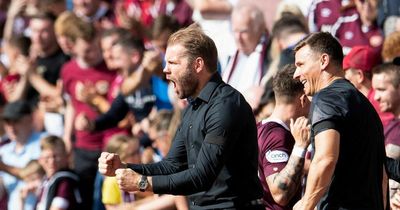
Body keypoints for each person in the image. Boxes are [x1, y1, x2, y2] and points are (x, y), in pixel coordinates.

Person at [98, 24, 265, 209]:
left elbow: (202, 176)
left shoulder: (225, 105)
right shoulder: (192, 107)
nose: (165, 70)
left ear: (198, 65)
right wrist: (124, 167)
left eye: (173, 63)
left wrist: (143, 183)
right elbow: (171, 166)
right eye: (166, 62)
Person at [292, 32, 386, 209]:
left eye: (301, 65)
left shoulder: (327, 98)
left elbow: (325, 159)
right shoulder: (365, 104)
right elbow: (382, 174)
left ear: (323, 61)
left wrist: (306, 204)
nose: (296, 74)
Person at [257, 64, 310, 210]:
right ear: (303, 100)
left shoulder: (261, 128)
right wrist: (300, 147)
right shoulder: (277, 135)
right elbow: (280, 194)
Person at [343, 45, 394, 127]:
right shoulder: (368, 99)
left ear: (360, 75)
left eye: (346, 72)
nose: (345, 78)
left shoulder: (379, 102)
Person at [36, 135, 82, 210]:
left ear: (66, 157)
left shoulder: (66, 182)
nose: (52, 161)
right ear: (40, 160)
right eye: (47, 157)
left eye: (56, 156)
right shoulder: (46, 182)